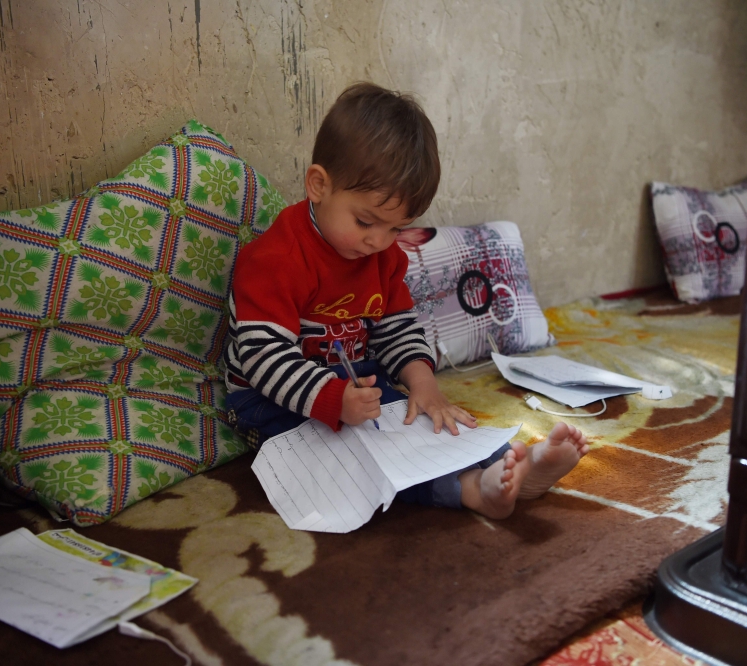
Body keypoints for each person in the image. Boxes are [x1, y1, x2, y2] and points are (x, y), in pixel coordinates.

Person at [224, 82, 588, 520]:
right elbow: (262, 357)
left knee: (424, 418)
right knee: (351, 456)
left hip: (356, 380)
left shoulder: (382, 257)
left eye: (396, 228)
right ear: (319, 185)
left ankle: (504, 461)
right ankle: (470, 490)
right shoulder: (274, 260)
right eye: (366, 222)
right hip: (271, 399)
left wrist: (423, 384)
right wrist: (332, 399)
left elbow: (397, 328)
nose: (379, 241)